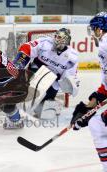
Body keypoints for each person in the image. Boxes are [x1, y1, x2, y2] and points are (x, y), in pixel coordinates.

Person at [13, 28, 79, 118]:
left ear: (66, 40)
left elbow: (69, 77)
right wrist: (19, 63)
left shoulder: (72, 57)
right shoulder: (45, 42)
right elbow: (27, 47)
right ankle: (19, 107)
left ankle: (40, 106)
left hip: (54, 80)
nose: (56, 39)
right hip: (36, 70)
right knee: (32, 88)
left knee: (46, 113)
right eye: (56, 36)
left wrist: (71, 85)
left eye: (60, 37)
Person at [70, 12, 107, 172]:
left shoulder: (106, 44)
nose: (93, 34)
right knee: (96, 123)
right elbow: (105, 87)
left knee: (98, 124)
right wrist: (87, 107)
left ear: (100, 29)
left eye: (94, 29)